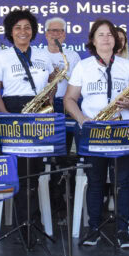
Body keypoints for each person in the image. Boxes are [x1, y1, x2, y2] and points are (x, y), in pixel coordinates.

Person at [64, 19, 129, 249]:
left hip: (122, 130)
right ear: (92, 40)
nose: (107, 38)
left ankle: (123, 230)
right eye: (101, 34)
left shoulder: (127, 66)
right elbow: (69, 99)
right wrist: (82, 120)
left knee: (123, 181)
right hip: (94, 131)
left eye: (110, 34)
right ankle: (94, 228)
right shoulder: (83, 66)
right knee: (96, 181)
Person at [0, 8, 53, 243]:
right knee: (18, 171)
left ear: (33, 31)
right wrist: (4, 114)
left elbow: (50, 85)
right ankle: (22, 225)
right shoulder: (3, 57)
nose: (23, 31)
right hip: (12, 111)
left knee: (33, 171)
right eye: (17, 28)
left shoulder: (44, 56)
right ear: (10, 32)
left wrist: (49, 102)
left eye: (27, 27)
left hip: (37, 112)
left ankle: (31, 222)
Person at [43, 17, 80, 217]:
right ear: (46, 34)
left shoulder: (73, 56)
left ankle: (61, 200)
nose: (55, 34)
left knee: (63, 155)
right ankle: (45, 198)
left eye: (59, 31)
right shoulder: (39, 55)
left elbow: (77, 86)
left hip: (65, 105)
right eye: (51, 31)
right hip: (45, 107)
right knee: (46, 155)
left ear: (64, 35)